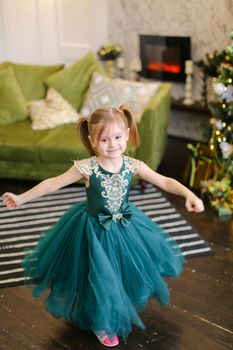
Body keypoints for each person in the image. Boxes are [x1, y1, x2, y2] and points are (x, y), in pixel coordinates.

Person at [3, 105, 204, 347]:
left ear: (127, 134)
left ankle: (117, 305)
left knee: (118, 273)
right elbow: (52, 184)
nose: (113, 144)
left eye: (118, 137)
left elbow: (164, 180)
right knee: (98, 276)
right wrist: (22, 198)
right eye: (104, 139)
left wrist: (188, 194)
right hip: (93, 231)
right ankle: (103, 322)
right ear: (92, 141)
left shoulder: (132, 165)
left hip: (126, 227)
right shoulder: (87, 167)